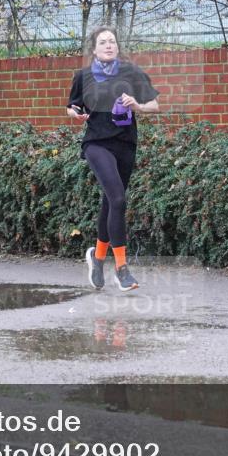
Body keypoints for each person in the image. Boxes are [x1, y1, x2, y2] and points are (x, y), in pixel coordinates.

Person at [67, 26, 160, 291]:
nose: (109, 45)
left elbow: (155, 105)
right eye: (103, 42)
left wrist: (138, 106)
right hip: (96, 143)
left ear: (117, 47)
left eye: (112, 42)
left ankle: (97, 259)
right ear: (94, 49)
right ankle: (121, 269)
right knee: (119, 198)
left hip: (125, 144)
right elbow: (72, 106)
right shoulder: (83, 76)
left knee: (111, 202)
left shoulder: (131, 72)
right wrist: (76, 114)